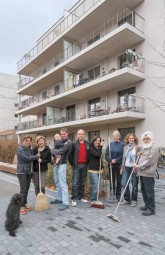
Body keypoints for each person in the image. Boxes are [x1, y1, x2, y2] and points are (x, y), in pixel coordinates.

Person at [133, 131, 159, 216]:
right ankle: (147, 205)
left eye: (147, 138)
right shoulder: (144, 148)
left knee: (149, 191)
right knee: (144, 190)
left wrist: (138, 166)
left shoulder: (154, 148)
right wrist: (138, 154)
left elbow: (149, 161)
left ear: (151, 139)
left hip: (148, 173)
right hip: (142, 173)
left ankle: (151, 209)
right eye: (144, 139)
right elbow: (141, 157)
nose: (146, 140)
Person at [51, 128, 72, 211]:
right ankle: (59, 199)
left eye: (64, 134)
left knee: (63, 184)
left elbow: (60, 151)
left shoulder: (68, 143)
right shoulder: (60, 141)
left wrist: (54, 151)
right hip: (56, 164)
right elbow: (53, 150)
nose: (63, 135)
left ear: (67, 133)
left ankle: (66, 203)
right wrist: (54, 151)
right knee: (57, 182)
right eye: (61, 134)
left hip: (62, 164)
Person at [17, 136, 39, 215]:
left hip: (28, 172)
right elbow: (26, 158)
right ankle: (20, 206)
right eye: (26, 141)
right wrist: (36, 156)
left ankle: (24, 204)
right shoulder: (21, 149)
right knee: (23, 189)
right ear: (23, 141)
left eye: (29, 141)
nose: (28, 142)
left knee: (26, 189)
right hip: (22, 172)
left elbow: (31, 156)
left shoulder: (29, 149)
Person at [69, 129, 90, 207]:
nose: (81, 135)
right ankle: (74, 198)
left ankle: (80, 197)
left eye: (82, 134)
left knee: (82, 182)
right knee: (75, 183)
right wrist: (72, 164)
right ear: (77, 135)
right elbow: (70, 155)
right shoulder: (74, 144)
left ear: (84, 135)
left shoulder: (88, 143)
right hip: (76, 165)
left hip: (85, 165)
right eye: (79, 134)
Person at [120, 133, 141, 207]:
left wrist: (139, 155)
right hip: (126, 167)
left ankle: (134, 200)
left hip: (134, 168)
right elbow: (123, 159)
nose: (131, 139)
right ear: (127, 139)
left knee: (134, 185)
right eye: (130, 138)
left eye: (132, 138)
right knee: (125, 184)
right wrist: (122, 168)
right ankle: (127, 199)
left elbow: (140, 158)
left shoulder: (138, 147)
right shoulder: (125, 147)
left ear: (134, 139)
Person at [105, 130, 124, 201]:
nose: (115, 137)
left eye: (117, 136)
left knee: (119, 180)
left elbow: (123, 155)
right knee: (111, 180)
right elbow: (106, 154)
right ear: (113, 137)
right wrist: (110, 160)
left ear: (119, 136)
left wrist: (115, 160)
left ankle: (118, 195)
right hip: (111, 165)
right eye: (114, 136)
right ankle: (112, 194)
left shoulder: (122, 145)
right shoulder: (110, 144)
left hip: (119, 165)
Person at [88, 136, 104, 202]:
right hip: (93, 170)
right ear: (93, 141)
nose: (97, 142)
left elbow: (100, 159)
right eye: (96, 140)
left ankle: (95, 199)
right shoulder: (91, 149)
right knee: (96, 185)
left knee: (98, 185)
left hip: (99, 170)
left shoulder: (99, 149)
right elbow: (97, 155)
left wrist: (102, 167)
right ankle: (93, 200)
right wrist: (101, 147)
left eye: (99, 141)